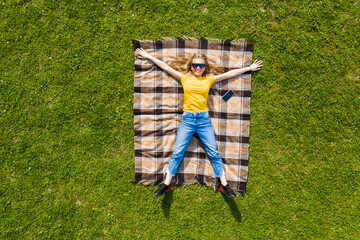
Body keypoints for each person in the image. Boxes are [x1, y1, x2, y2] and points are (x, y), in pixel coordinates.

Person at [135, 48, 263, 198]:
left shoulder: (208, 80)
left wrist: (249, 68)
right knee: (178, 152)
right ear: (191, 67)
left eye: (201, 66)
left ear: (204, 68)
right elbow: (165, 67)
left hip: (203, 121)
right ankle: (166, 184)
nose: (197, 68)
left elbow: (228, 74)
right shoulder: (184, 78)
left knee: (213, 153)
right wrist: (147, 56)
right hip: (188, 120)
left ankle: (224, 185)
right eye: (195, 65)